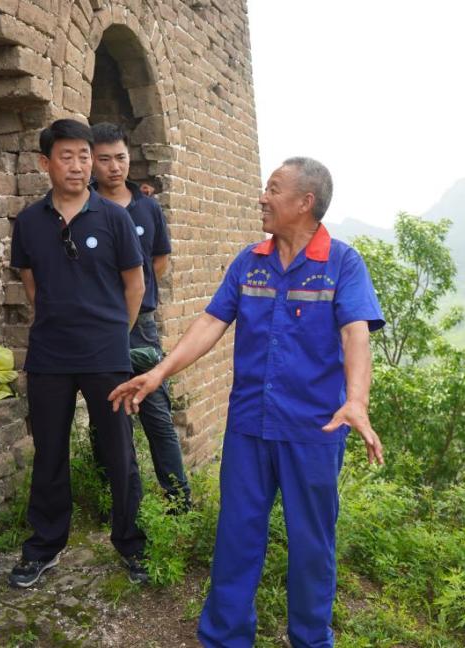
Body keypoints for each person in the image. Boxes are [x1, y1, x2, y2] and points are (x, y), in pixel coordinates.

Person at [110, 157, 385, 647]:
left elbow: (355, 332)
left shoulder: (342, 263)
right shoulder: (249, 261)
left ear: (305, 203)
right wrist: (158, 372)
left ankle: (310, 639)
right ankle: (224, 637)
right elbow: (211, 324)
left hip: (313, 431)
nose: (262, 197)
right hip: (249, 427)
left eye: (273, 189)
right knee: (236, 537)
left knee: (311, 544)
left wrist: (357, 401)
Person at [8, 119, 148, 587]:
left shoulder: (114, 218)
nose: (78, 165)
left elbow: (136, 283)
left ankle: (131, 544)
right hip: (49, 355)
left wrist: (112, 335)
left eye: (84, 156)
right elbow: (32, 285)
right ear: (45, 163)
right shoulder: (29, 222)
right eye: (66, 156)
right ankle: (44, 546)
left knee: (119, 451)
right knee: (49, 451)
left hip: (106, 355)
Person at [90, 122, 190, 508]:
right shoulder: (86, 206)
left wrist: (135, 294)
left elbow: (159, 262)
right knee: (107, 417)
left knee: (156, 414)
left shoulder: (148, 206)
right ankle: (110, 499)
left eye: (121, 158)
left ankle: (179, 500)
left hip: (142, 328)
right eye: (104, 160)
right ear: (92, 162)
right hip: (98, 327)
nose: (114, 167)